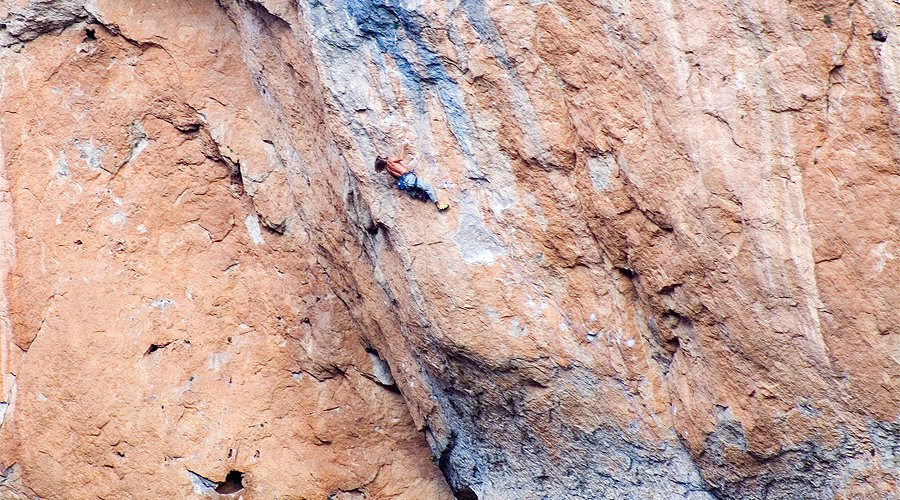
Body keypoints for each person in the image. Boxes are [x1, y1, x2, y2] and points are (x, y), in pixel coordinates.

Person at [375, 144, 449, 211]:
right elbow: (401, 157)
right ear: (383, 159)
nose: (383, 154)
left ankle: (418, 194)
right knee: (428, 187)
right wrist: (404, 147)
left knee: (413, 189)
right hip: (409, 178)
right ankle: (438, 205)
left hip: (404, 182)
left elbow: (397, 177)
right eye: (381, 155)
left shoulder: (388, 170)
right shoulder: (390, 160)